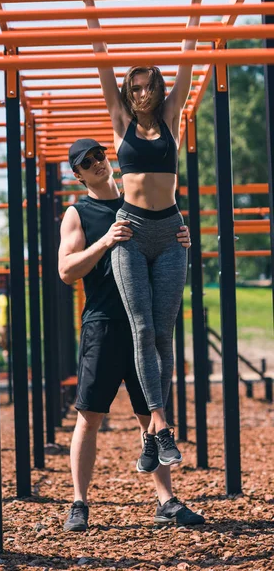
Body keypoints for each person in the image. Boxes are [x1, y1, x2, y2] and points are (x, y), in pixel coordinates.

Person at [77, 0, 207, 472]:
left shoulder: (172, 116)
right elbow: (101, 58)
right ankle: (160, 424)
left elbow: (190, 54)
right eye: (136, 87)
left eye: (149, 84)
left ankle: (153, 441)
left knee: (164, 333)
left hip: (170, 232)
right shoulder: (119, 119)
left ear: (159, 87)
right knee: (142, 326)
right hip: (130, 231)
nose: (143, 91)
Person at [58, 138, 204, 532]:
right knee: (89, 416)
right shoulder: (78, 212)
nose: (97, 164)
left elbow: (166, 244)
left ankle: (167, 502)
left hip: (146, 326)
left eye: (99, 156)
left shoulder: (143, 204)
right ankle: (79, 504)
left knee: (150, 416)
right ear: (78, 175)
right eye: (87, 163)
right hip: (104, 323)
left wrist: (180, 239)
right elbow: (66, 270)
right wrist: (105, 242)